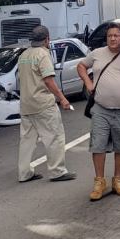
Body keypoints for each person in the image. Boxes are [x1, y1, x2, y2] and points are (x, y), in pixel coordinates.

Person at [77, 22, 120, 201]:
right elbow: (81, 66)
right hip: (101, 108)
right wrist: (88, 82)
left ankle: (118, 179)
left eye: (116, 35)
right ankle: (99, 181)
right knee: (98, 145)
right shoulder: (98, 54)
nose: (113, 39)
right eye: (110, 36)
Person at [17, 25, 77, 183]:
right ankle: (57, 171)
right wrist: (62, 98)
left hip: (26, 105)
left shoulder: (23, 55)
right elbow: (48, 80)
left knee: (27, 141)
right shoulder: (43, 55)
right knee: (54, 136)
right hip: (43, 104)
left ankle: (24, 173)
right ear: (46, 39)